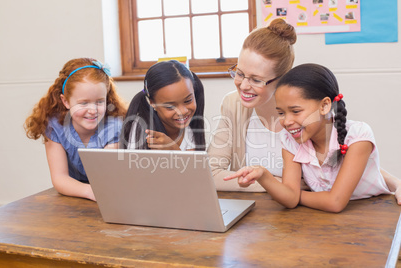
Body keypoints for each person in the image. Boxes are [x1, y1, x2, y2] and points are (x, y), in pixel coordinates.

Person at [224, 63, 401, 212]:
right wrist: (263, 175)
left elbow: (335, 202)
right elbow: (289, 199)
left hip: (375, 211)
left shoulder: (358, 135)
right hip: (322, 219)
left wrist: (295, 196)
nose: (286, 121)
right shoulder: (290, 140)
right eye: (281, 113)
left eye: (295, 111)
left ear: (324, 106)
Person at [207, 18, 297, 191]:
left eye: (256, 79)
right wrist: (274, 184)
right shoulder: (233, 104)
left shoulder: (304, 112)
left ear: (282, 79)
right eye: (239, 73)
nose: (243, 85)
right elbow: (211, 175)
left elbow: (318, 180)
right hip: (253, 210)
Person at [24, 58, 127, 201]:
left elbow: (106, 178)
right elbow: (60, 178)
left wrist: (97, 192)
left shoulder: (114, 127)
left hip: (112, 195)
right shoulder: (55, 127)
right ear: (65, 101)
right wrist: (90, 191)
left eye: (99, 101)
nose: (92, 110)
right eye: (83, 103)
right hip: (79, 196)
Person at [120, 60, 205, 151]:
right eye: (170, 107)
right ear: (153, 103)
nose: (183, 111)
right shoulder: (141, 127)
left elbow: (195, 164)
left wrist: (174, 150)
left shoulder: (191, 126)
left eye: (188, 100)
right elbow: (134, 164)